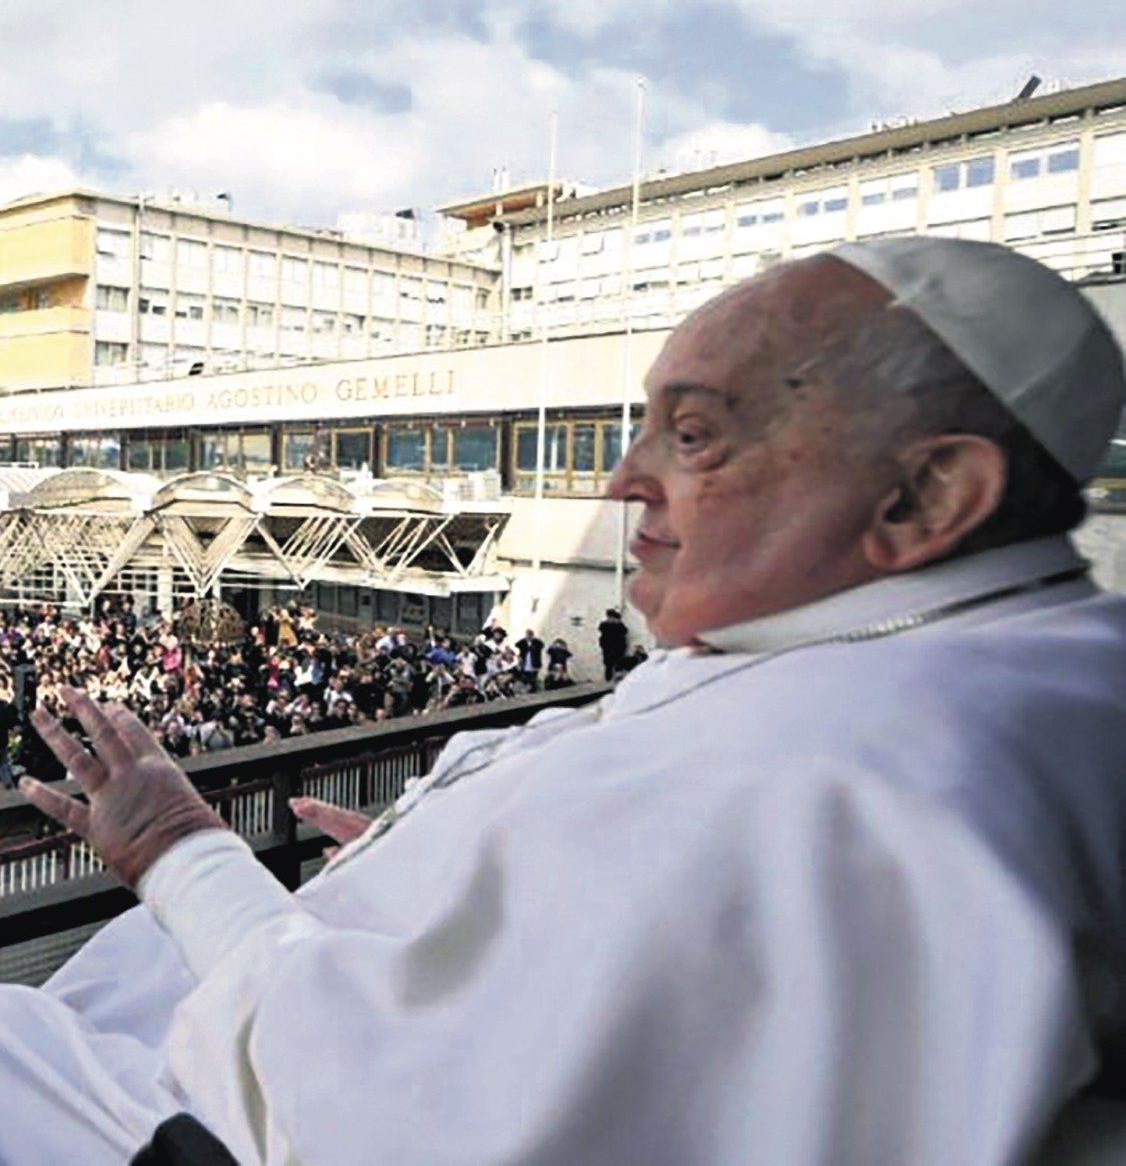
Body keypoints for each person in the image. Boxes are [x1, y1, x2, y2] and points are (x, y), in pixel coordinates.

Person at [7, 236, 1126, 1165]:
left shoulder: (836, 772)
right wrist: (452, 862)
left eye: (693, 434)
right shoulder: (981, 656)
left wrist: (176, 845)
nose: (620, 477)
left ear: (930, 490)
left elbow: (379, 1113)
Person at [597, 607, 628, 680]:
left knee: (615, 664)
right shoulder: (606, 624)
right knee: (610, 665)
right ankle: (610, 679)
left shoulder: (617, 625)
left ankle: (613, 679)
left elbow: (624, 631)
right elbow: (601, 630)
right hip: (610, 647)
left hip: (615, 647)